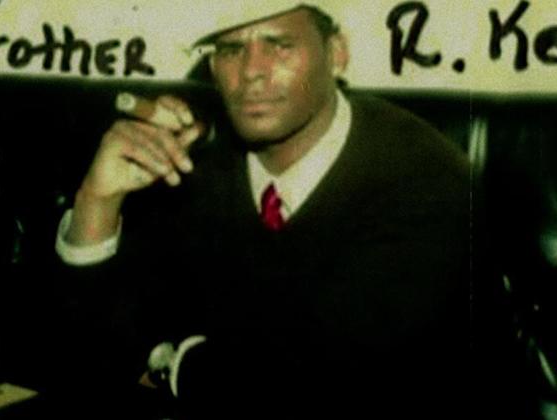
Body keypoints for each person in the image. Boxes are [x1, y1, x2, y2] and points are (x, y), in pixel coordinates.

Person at [54, 2, 473, 418]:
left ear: (336, 54)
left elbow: (326, 386)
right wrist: (98, 200)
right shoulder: (195, 161)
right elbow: (84, 346)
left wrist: (171, 367)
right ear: (213, 68)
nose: (252, 70)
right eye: (231, 49)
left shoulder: (423, 173)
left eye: (280, 44)